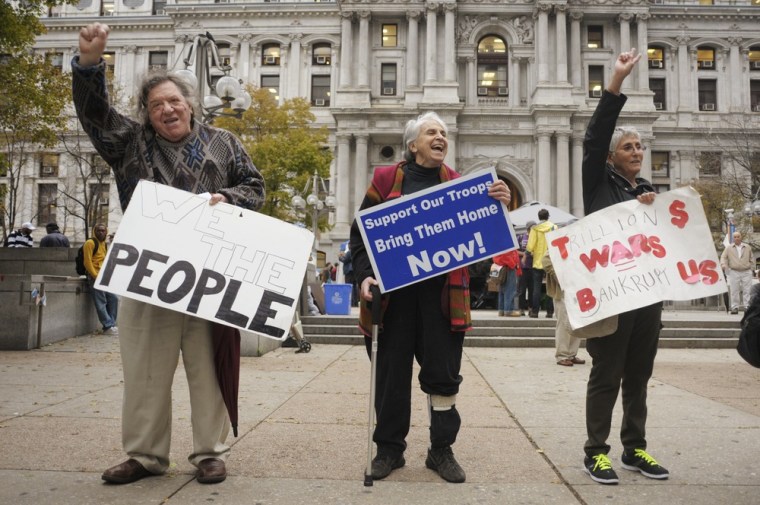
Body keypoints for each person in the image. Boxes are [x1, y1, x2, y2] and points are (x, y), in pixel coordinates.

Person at [72, 23, 265, 485]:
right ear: (147, 114)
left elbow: (256, 188)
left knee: (208, 370)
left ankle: (210, 452)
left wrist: (229, 199)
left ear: (191, 105)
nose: (166, 109)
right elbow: (94, 112)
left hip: (208, 274)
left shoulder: (226, 143)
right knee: (144, 370)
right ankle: (145, 455)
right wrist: (89, 64)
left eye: (174, 101)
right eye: (156, 105)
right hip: (146, 272)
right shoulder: (127, 142)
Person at [349, 111, 512, 483]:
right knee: (390, 379)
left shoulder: (464, 185)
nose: (440, 137)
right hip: (394, 302)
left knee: (443, 379)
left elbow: (484, 241)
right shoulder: (385, 180)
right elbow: (361, 238)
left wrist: (497, 205)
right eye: (431, 132)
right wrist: (364, 277)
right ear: (412, 144)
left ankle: (441, 451)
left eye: (443, 132)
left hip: (442, 301)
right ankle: (389, 450)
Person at [581, 48, 669, 485]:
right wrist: (615, 81)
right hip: (612, 298)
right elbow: (596, 135)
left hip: (647, 298)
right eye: (628, 147)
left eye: (639, 146)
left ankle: (635, 449)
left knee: (639, 376)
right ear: (612, 157)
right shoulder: (598, 185)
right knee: (607, 375)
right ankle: (596, 452)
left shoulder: (650, 191)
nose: (637, 151)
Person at [542, 252, 585, 367]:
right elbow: (546, 261)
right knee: (563, 323)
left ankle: (571, 354)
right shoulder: (558, 240)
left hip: (579, 289)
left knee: (577, 322)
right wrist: (559, 275)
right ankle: (562, 355)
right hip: (563, 291)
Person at [83, 223, 119, 335]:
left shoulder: (104, 244)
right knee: (101, 302)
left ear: (106, 232)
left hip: (104, 277)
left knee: (113, 298)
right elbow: (87, 262)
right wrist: (95, 276)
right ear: (95, 231)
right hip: (95, 277)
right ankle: (107, 326)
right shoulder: (90, 243)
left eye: (103, 231)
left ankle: (111, 325)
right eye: (98, 230)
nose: (101, 232)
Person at [526, 209, 556, 318]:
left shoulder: (535, 229)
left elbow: (530, 246)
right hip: (550, 262)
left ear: (539, 217)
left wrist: (527, 254)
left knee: (536, 288)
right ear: (548, 216)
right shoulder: (554, 227)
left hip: (538, 262)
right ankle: (549, 312)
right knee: (550, 287)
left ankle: (535, 312)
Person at [720, 231, 754, 314]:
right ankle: (735, 307)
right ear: (733, 238)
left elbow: (752, 258)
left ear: (741, 237)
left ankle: (747, 306)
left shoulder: (747, 247)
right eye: (735, 237)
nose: (736, 238)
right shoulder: (728, 248)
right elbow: (723, 257)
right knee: (734, 290)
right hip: (734, 271)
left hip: (746, 271)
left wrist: (751, 268)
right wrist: (723, 264)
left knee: (747, 290)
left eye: (738, 236)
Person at [492, 248, 521, 317]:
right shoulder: (507, 241)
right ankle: (509, 310)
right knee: (510, 289)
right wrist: (513, 264)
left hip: (500, 265)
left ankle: (501, 310)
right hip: (508, 265)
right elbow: (508, 255)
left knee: (502, 289)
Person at [516, 221, 535, 316]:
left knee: (532, 289)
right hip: (523, 266)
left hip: (533, 266)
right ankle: (521, 308)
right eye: (532, 228)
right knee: (521, 289)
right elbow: (515, 251)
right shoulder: (521, 237)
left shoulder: (537, 238)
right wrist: (525, 254)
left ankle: (531, 308)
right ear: (528, 228)